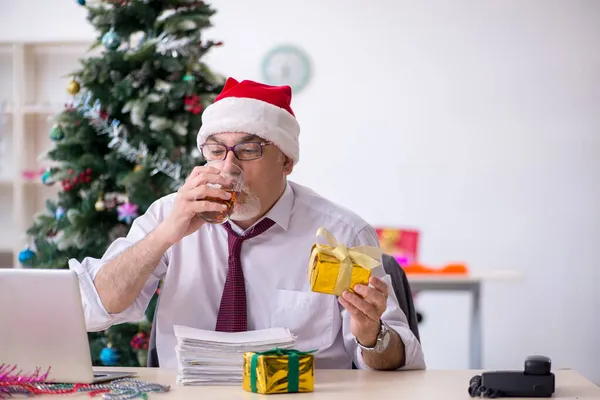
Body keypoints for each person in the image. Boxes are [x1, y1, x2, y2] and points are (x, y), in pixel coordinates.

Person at [69, 77, 426, 371]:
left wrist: (371, 334)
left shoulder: (343, 233)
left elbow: (402, 363)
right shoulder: (171, 213)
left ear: (285, 161)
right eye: (215, 149)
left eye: (249, 149)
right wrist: (165, 234)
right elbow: (94, 309)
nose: (228, 167)